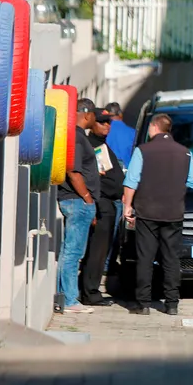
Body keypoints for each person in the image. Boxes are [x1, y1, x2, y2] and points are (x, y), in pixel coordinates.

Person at [123, 113, 193, 316]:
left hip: (147, 211)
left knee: (145, 258)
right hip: (174, 212)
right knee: (171, 258)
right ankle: (172, 303)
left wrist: (127, 206)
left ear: (155, 128)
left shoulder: (143, 151)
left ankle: (144, 304)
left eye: (150, 128)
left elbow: (131, 181)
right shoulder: (185, 152)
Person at [56, 98, 101, 314]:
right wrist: (87, 197)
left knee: (71, 251)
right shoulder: (76, 137)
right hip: (77, 200)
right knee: (73, 252)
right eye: (95, 115)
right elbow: (73, 171)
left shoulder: (79, 137)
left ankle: (64, 297)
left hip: (78, 201)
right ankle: (71, 300)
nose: (96, 118)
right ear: (87, 114)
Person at [80, 110, 124, 306]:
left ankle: (92, 289)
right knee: (96, 252)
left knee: (101, 251)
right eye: (102, 122)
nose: (107, 125)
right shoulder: (91, 145)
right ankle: (90, 293)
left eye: (109, 122)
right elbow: (92, 178)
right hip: (101, 205)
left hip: (108, 205)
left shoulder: (102, 145)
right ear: (92, 122)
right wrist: (94, 206)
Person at [102, 102, 133, 274]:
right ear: (120, 115)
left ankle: (103, 262)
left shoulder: (103, 131)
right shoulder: (131, 132)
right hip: (124, 183)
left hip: (105, 182)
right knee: (119, 225)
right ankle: (111, 261)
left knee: (104, 225)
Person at [104, 101, 136, 167]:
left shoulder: (103, 131)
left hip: (107, 172)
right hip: (127, 171)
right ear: (120, 114)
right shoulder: (133, 132)